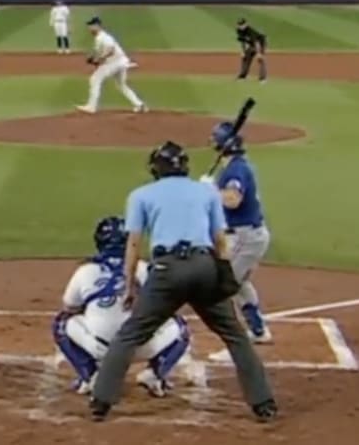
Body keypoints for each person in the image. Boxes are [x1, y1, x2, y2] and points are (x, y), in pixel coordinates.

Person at [88, 141, 277, 423]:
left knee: (131, 334)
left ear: (155, 169)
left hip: (167, 271)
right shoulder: (206, 192)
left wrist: (129, 286)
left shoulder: (141, 195)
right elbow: (220, 240)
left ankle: (101, 401)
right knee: (235, 335)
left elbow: (134, 244)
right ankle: (264, 404)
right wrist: (222, 275)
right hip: (204, 267)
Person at [52, 216, 196, 398]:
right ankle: (155, 374)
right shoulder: (144, 268)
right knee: (179, 326)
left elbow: (69, 307)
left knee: (61, 323)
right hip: (141, 348)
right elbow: (169, 305)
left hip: (99, 348)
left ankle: (90, 375)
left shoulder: (86, 270)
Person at [201, 122, 273, 343]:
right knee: (238, 283)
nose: (212, 141)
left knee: (224, 284)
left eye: (216, 138)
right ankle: (258, 330)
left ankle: (233, 334)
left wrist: (211, 190)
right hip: (242, 235)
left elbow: (232, 201)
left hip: (245, 237)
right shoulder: (233, 166)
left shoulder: (237, 169)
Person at [77, 16, 146, 114]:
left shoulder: (102, 37)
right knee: (121, 85)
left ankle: (91, 107)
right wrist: (94, 59)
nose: (89, 28)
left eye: (91, 26)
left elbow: (111, 49)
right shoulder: (101, 37)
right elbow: (99, 52)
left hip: (114, 63)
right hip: (121, 62)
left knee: (94, 80)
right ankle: (139, 104)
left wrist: (100, 59)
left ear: (97, 26)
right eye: (89, 26)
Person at [236, 18, 267, 82]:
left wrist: (259, 53)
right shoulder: (239, 30)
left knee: (260, 59)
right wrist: (243, 51)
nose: (241, 26)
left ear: (246, 24)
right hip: (252, 44)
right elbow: (243, 41)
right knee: (245, 57)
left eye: (242, 24)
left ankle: (263, 79)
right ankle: (243, 76)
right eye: (239, 24)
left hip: (260, 43)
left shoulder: (250, 31)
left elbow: (256, 42)